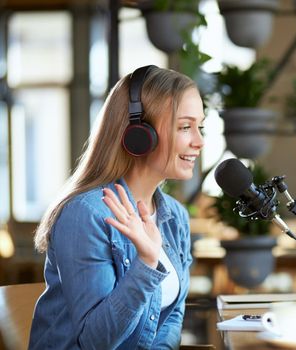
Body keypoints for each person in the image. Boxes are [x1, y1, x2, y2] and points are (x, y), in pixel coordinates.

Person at [29, 65, 205, 349]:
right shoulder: (86, 214)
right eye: (185, 127)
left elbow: (172, 317)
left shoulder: (176, 217)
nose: (199, 141)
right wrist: (147, 265)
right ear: (139, 134)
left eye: (201, 127)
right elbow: (96, 341)